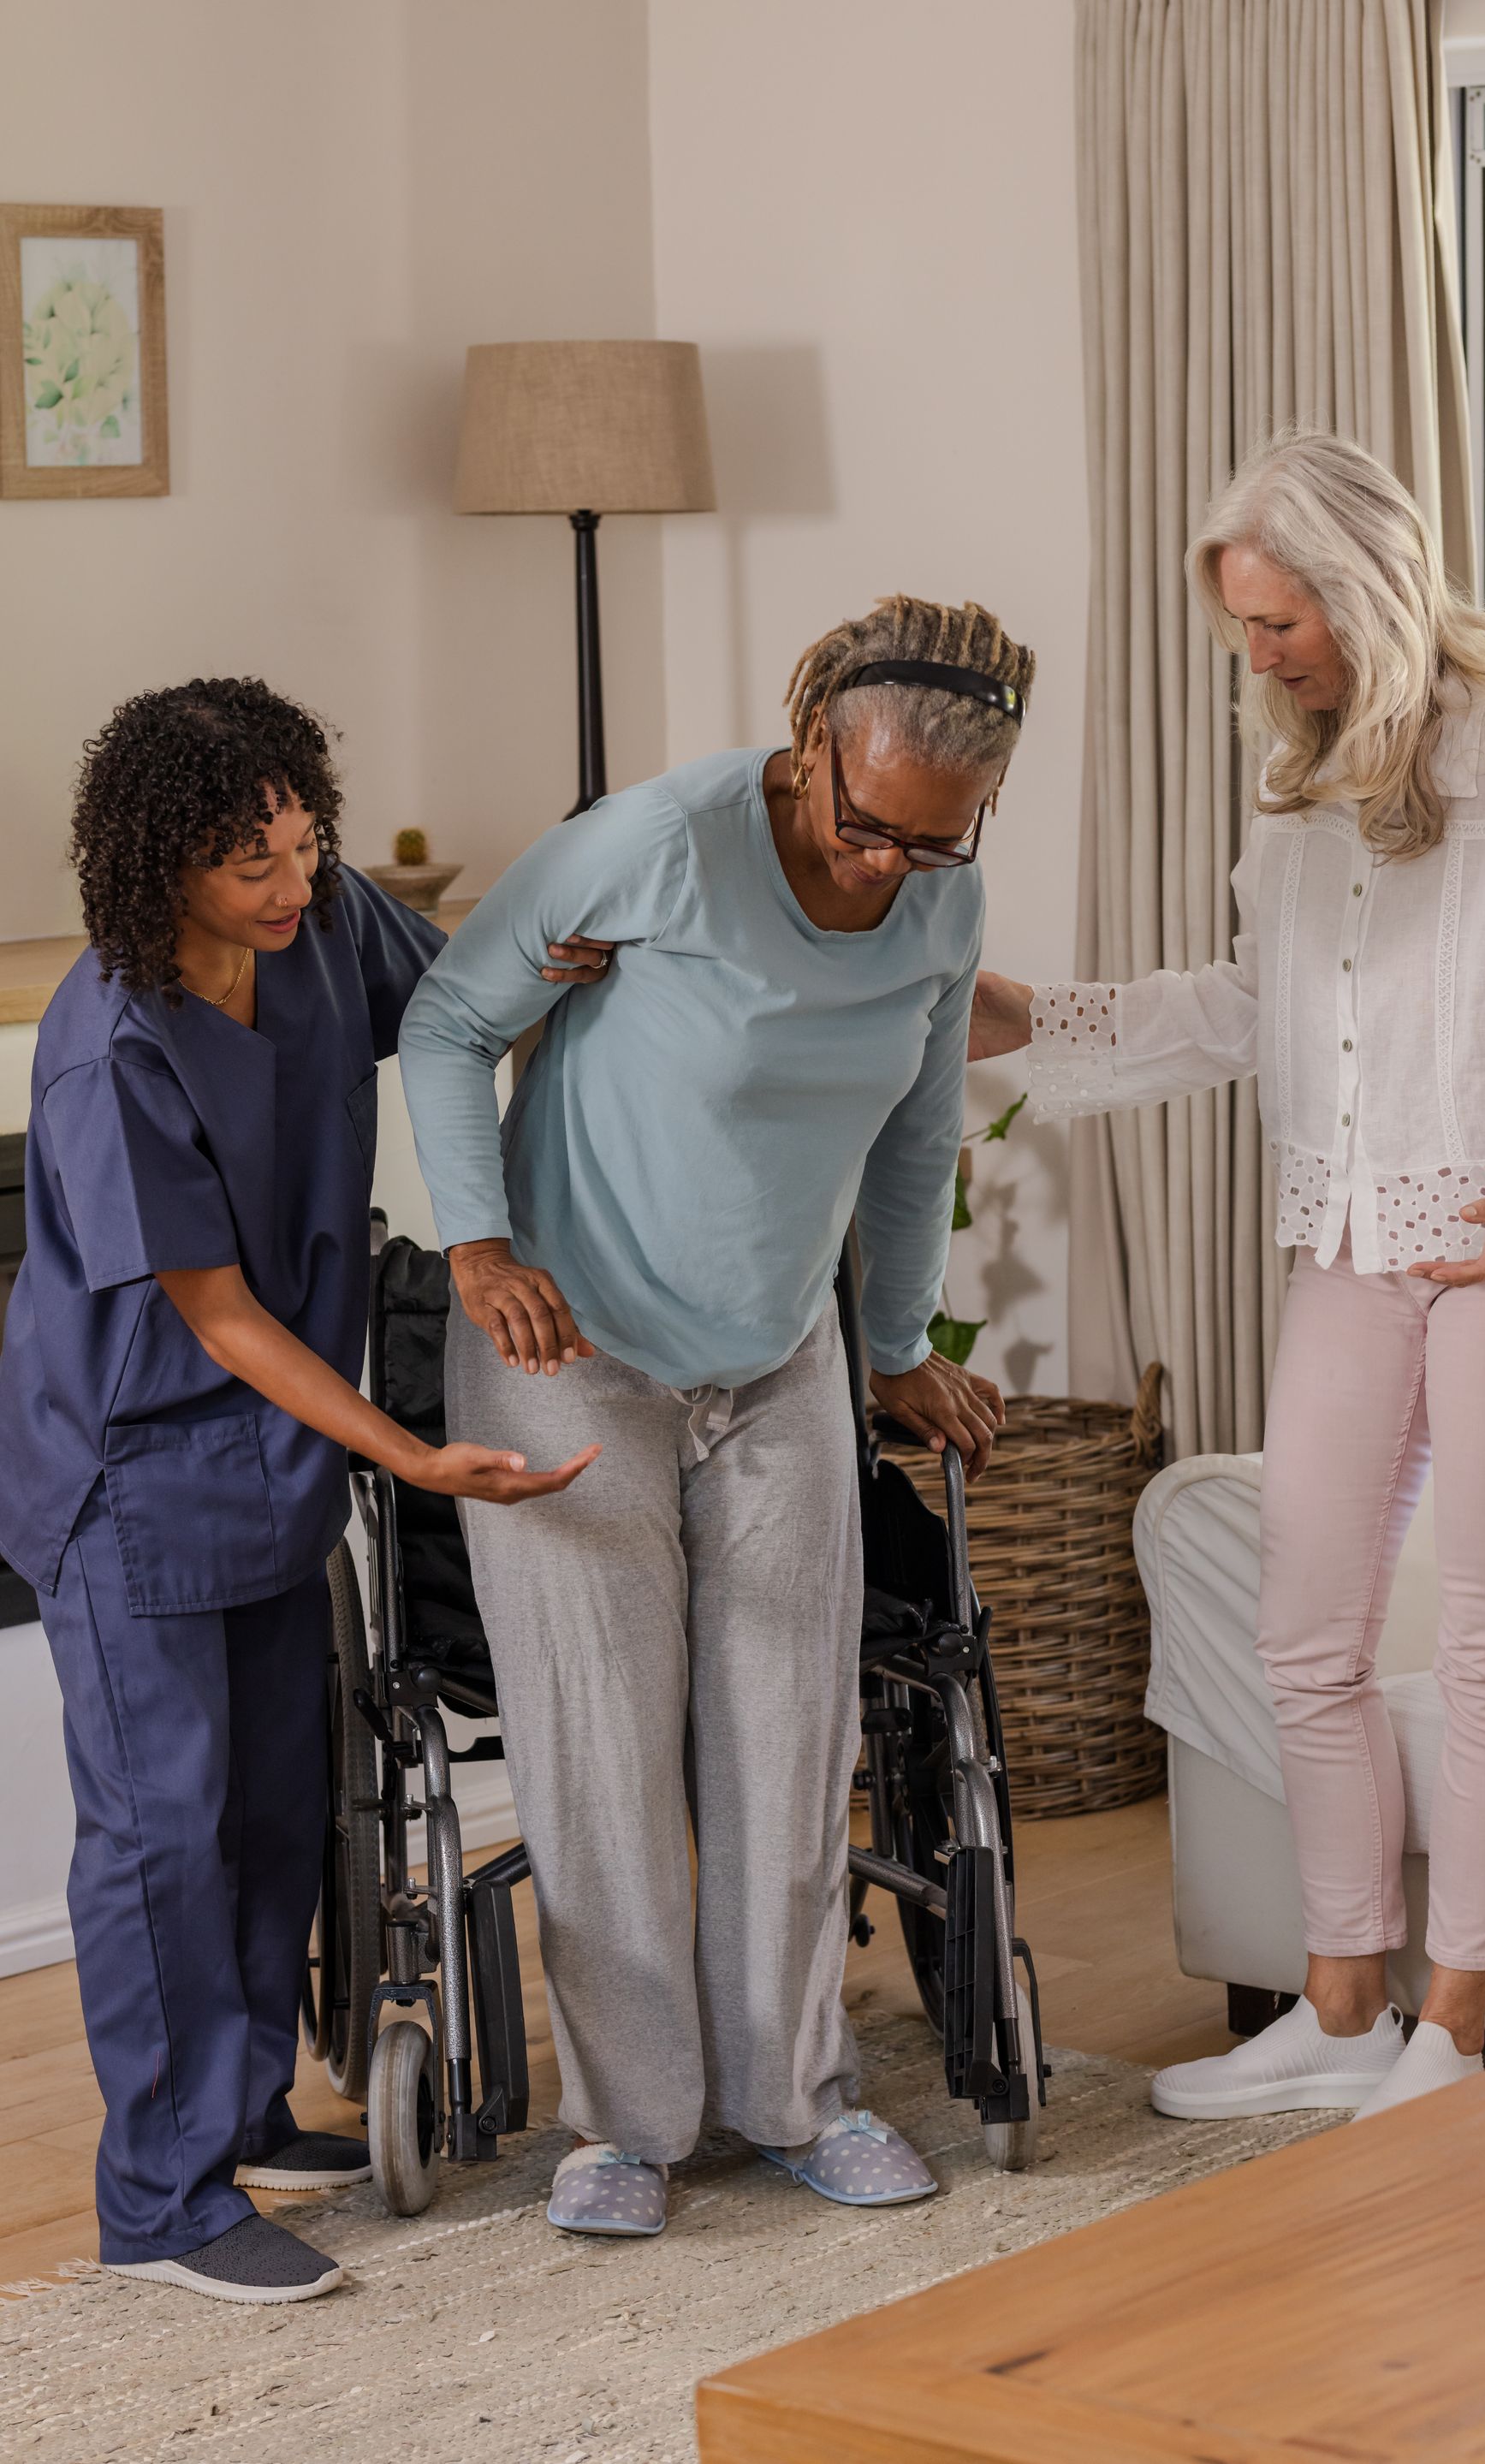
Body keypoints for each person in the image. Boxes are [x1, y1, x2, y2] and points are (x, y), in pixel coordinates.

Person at [971, 432, 1485, 2122]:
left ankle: (1449, 2036)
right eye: (1244, 630)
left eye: (1281, 625)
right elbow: (1239, 1009)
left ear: (1365, 593)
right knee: (1303, 1635)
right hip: (1351, 1238)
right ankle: (1342, 2005)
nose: (1259, 658)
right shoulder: (1303, 794)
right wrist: (1031, 1016)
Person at [399, 594, 1025, 2235]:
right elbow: (453, 1021)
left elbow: (915, 1136)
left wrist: (892, 1346)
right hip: (568, 1343)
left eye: (934, 846)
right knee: (603, 1756)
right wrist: (476, 1240)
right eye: (864, 822)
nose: (889, 865)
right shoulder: (655, 845)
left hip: (776, 1363)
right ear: (810, 737)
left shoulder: (938, 906)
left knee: (786, 1739)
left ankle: (798, 2094)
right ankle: (630, 2127)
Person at [0, 681, 597, 2305]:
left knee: (276, 1814)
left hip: (269, 1457)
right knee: (161, 1840)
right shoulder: (106, 1047)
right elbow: (215, 1311)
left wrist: (596, 962)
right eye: (247, 861)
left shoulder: (326, 931)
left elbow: (471, 997)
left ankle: (245, 2114)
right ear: (157, 866)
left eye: (303, 840)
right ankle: (160, 2204)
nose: (292, 880)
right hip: (131, 1475)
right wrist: (406, 1450)